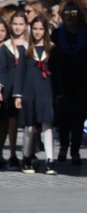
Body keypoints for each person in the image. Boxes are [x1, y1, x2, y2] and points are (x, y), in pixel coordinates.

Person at [51, 1, 87, 165]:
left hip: (83, 81)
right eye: (67, 13)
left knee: (78, 117)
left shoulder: (86, 33)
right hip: (62, 82)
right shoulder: (57, 34)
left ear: (79, 16)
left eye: (73, 13)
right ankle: (63, 147)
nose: (70, 17)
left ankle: (75, 150)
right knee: (63, 116)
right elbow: (52, 60)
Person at [15, 15, 56, 175]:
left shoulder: (52, 49)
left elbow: (58, 73)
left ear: (45, 30)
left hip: (46, 91)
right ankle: (26, 157)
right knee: (29, 126)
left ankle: (50, 160)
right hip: (29, 92)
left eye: (41, 29)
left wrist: (59, 94)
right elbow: (20, 74)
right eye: (35, 29)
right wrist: (18, 95)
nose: (38, 32)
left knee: (47, 124)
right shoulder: (25, 49)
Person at [4, 11, 28, 170]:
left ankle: (29, 153)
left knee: (30, 122)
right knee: (12, 120)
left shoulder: (31, 44)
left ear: (26, 26)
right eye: (15, 24)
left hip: (29, 86)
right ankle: (12, 154)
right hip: (10, 87)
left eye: (21, 24)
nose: (18, 27)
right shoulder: (6, 46)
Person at [0, 17, 13, 169]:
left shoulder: (9, 48)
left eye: (3, 30)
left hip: (5, 91)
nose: (0, 33)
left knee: (3, 121)